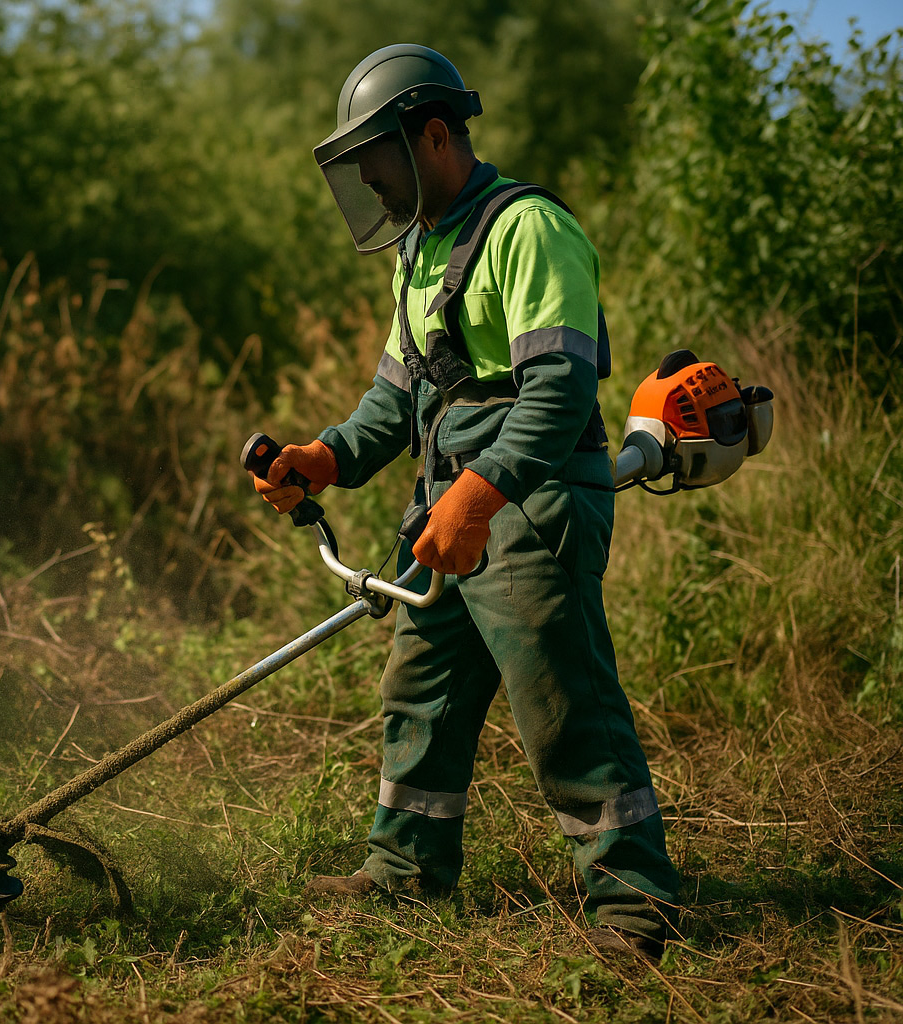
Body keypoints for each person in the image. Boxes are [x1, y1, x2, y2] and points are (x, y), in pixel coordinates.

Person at [252, 43, 680, 961]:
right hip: (452, 505)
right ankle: (405, 869)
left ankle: (635, 903)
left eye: (379, 161)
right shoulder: (419, 248)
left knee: (562, 700)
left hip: (531, 500)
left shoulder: (528, 229)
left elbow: (558, 392)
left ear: (435, 136)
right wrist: (323, 457)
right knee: (422, 689)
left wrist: (479, 497)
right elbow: (397, 396)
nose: (371, 184)